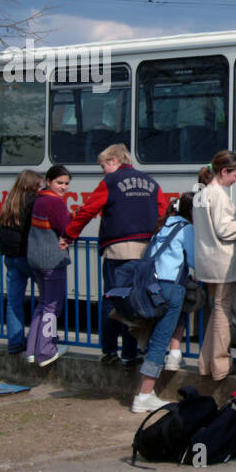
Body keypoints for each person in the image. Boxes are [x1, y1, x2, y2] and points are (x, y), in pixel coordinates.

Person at [64, 144, 160, 366]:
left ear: (114, 161)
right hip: (145, 250)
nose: (102, 170)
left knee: (113, 298)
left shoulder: (111, 182)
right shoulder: (151, 182)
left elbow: (88, 210)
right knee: (135, 300)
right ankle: (130, 352)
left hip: (117, 249)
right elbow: (163, 212)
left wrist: (69, 234)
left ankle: (109, 351)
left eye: (103, 165)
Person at [130, 193, 197, 413]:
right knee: (160, 342)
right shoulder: (187, 229)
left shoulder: (164, 225)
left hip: (152, 287)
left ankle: (147, 392)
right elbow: (195, 260)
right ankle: (145, 395)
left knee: (153, 337)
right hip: (171, 288)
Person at [193, 150, 236, 381]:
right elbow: (225, 230)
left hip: (205, 261)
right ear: (224, 171)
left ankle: (206, 363)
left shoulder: (200, 193)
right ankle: (220, 365)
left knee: (215, 311)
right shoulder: (219, 195)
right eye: (235, 175)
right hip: (223, 262)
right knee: (222, 313)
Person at [26, 165, 72, 367]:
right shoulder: (55, 203)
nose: (63, 187)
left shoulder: (40, 200)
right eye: (59, 183)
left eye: (66, 184)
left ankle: (32, 349)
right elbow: (66, 228)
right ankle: (46, 349)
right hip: (52, 260)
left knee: (43, 303)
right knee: (53, 306)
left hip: (36, 258)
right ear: (48, 181)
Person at [0, 169, 42, 356]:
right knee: (49, 297)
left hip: (10, 256)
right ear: (31, 185)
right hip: (26, 255)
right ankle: (40, 340)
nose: (41, 189)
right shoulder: (33, 202)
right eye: (39, 185)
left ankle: (15, 342)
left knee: (14, 301)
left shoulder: (11, 201)